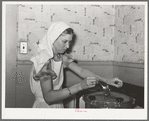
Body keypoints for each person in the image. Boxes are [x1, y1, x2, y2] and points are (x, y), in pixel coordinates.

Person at [29, 21, 123, 108]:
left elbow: (81, 71)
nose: (68, 46)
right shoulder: (44, 60)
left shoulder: (61, 57)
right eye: (65, 41)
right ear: (53, 38)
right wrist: (79, 86)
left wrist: (106, 80)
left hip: (58, 105)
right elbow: (48, 97)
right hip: (44, 108)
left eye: (69, 42)